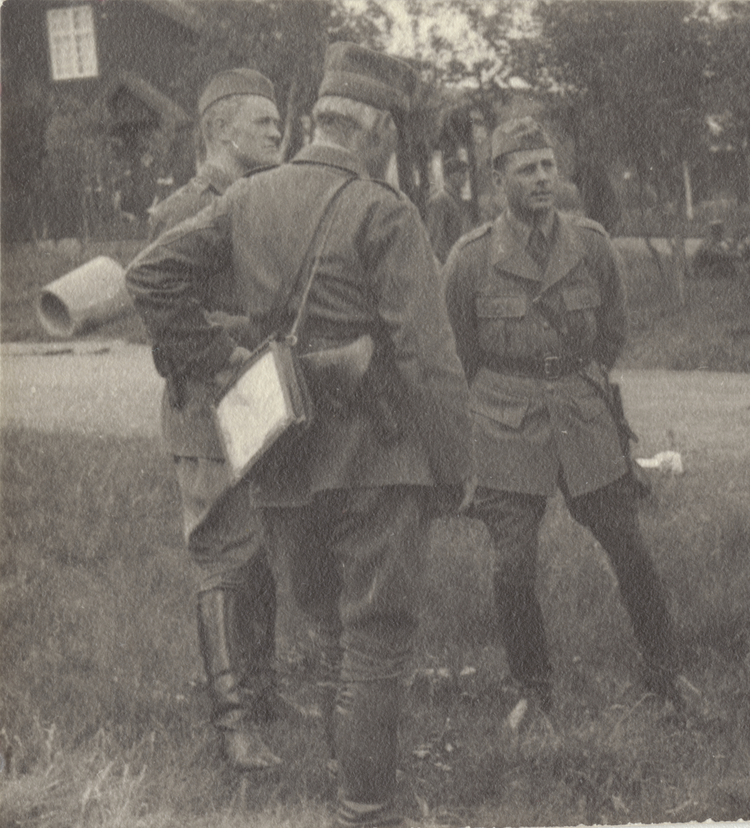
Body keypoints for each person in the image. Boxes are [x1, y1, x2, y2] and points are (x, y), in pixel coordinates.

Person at [127, 43, 474, 827]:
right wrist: (457, 469)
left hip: (281, 456)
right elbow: (428, 359)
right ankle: (366, 807)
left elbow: (148, 277)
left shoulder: (248, 198)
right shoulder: (385, 210)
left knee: (326, 629)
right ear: (375, 126)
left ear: (321, 117)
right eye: (394, 132)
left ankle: (350, 782)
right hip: (377, 457)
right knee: (375, 636)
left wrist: (225, 359)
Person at [442, 116, 686, 726]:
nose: (542, 178)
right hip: (505, 422)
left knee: (629, 547)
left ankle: (666, 672)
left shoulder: (591, 245)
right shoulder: (471, 259)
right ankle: (534, 691)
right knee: (512, 565)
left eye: (548, 166)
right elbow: (457, 356)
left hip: (582, 414)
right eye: (527, 169)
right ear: (498, 179)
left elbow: (613, 332)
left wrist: (577, 380)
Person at [144, 68, 284, 772]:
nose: (279, 133)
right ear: (223, 131)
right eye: (266, 123)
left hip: (258, 398)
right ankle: (233, 726)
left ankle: (262, 690)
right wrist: (232, 349)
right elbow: (165, 325)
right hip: (204, 404)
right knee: (222, 557)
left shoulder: (262, 198)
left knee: (260, 547)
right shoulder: (183, 211)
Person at [426, 155, 473, 264]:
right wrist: (449, 264)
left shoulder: (456, 199)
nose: (465, 178)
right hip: (448, 264)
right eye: (462, 173)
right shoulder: (440, 200)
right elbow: (436, 240)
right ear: (451, 175)